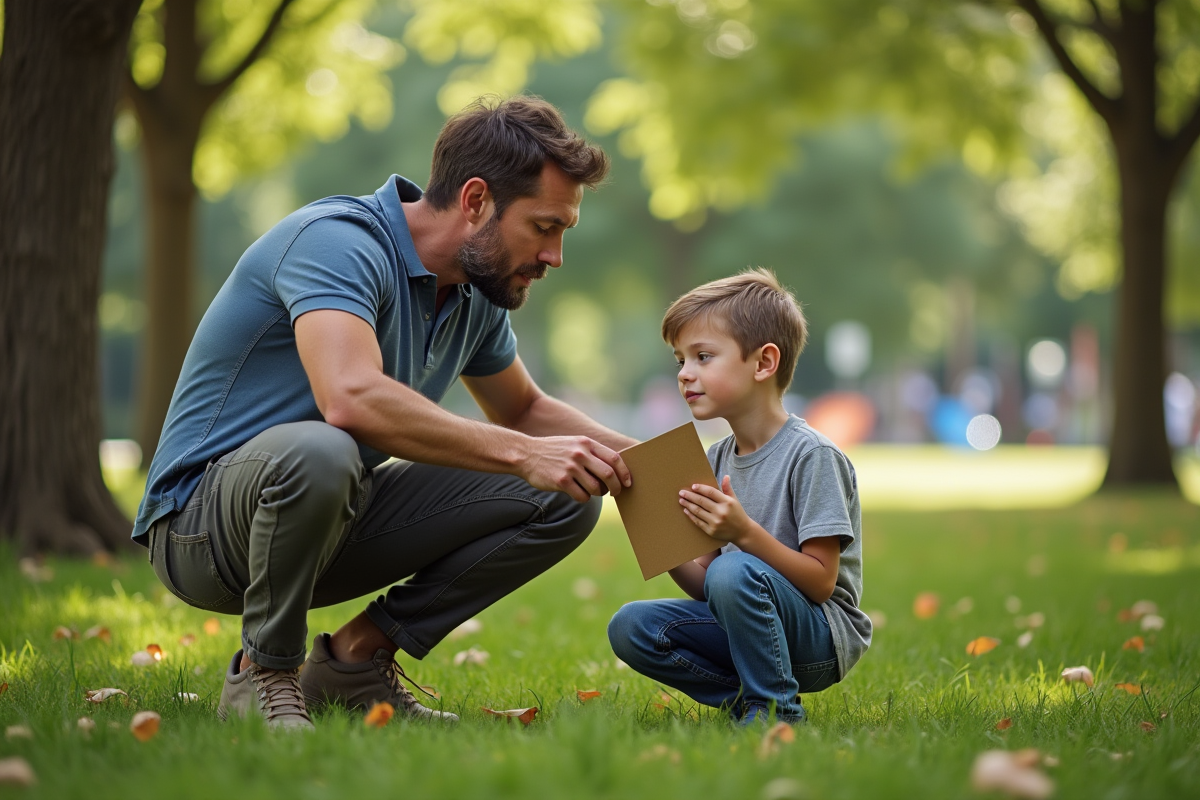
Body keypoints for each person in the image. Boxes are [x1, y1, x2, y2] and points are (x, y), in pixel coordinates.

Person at [132, 96, 637, 730]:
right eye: (543, 227)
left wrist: (670, 474)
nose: (555, 255)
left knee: (567, 492)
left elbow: (526, 409)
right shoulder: (338, 243)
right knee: (325, 448)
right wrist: (528, 454)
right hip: (201, 530)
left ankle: (351, 665)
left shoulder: (475, 291)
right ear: (476, 200)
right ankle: (265, 677)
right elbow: (349, 398)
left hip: (327, 518)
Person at [607, 269, 871, 725]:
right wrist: (658, 532)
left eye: (703, 357)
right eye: (680, 361)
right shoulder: (714, 459)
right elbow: (710, 586)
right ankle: (749, 698)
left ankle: (775, 711)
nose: (686, 375)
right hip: (747, 629)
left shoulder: (813, 457)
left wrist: (743, 533)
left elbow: (821, 582)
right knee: (631, 625)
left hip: (819, 638)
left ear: (764, 363)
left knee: (735, 567)